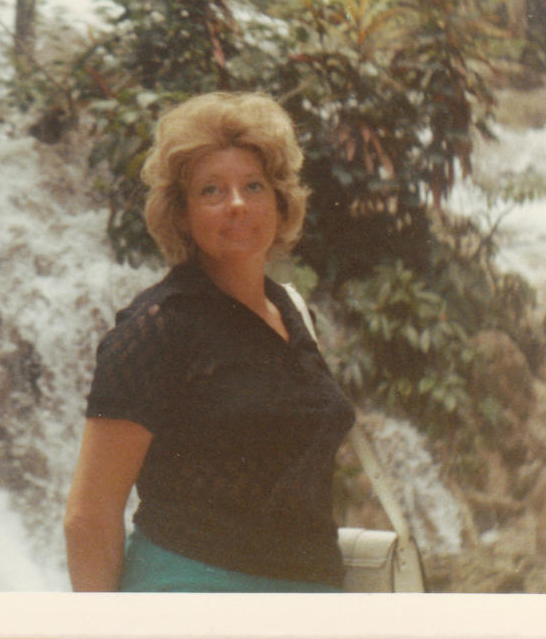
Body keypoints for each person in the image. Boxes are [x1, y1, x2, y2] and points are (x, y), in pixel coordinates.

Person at [64, 91, 356, 592]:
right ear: (182, 214)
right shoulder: (156, 328)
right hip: (190, 596)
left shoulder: (293, 313)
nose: (237, 204)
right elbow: (89, 515)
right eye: (212, 191)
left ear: (279, 200)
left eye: (253, 186)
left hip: (309, 597)